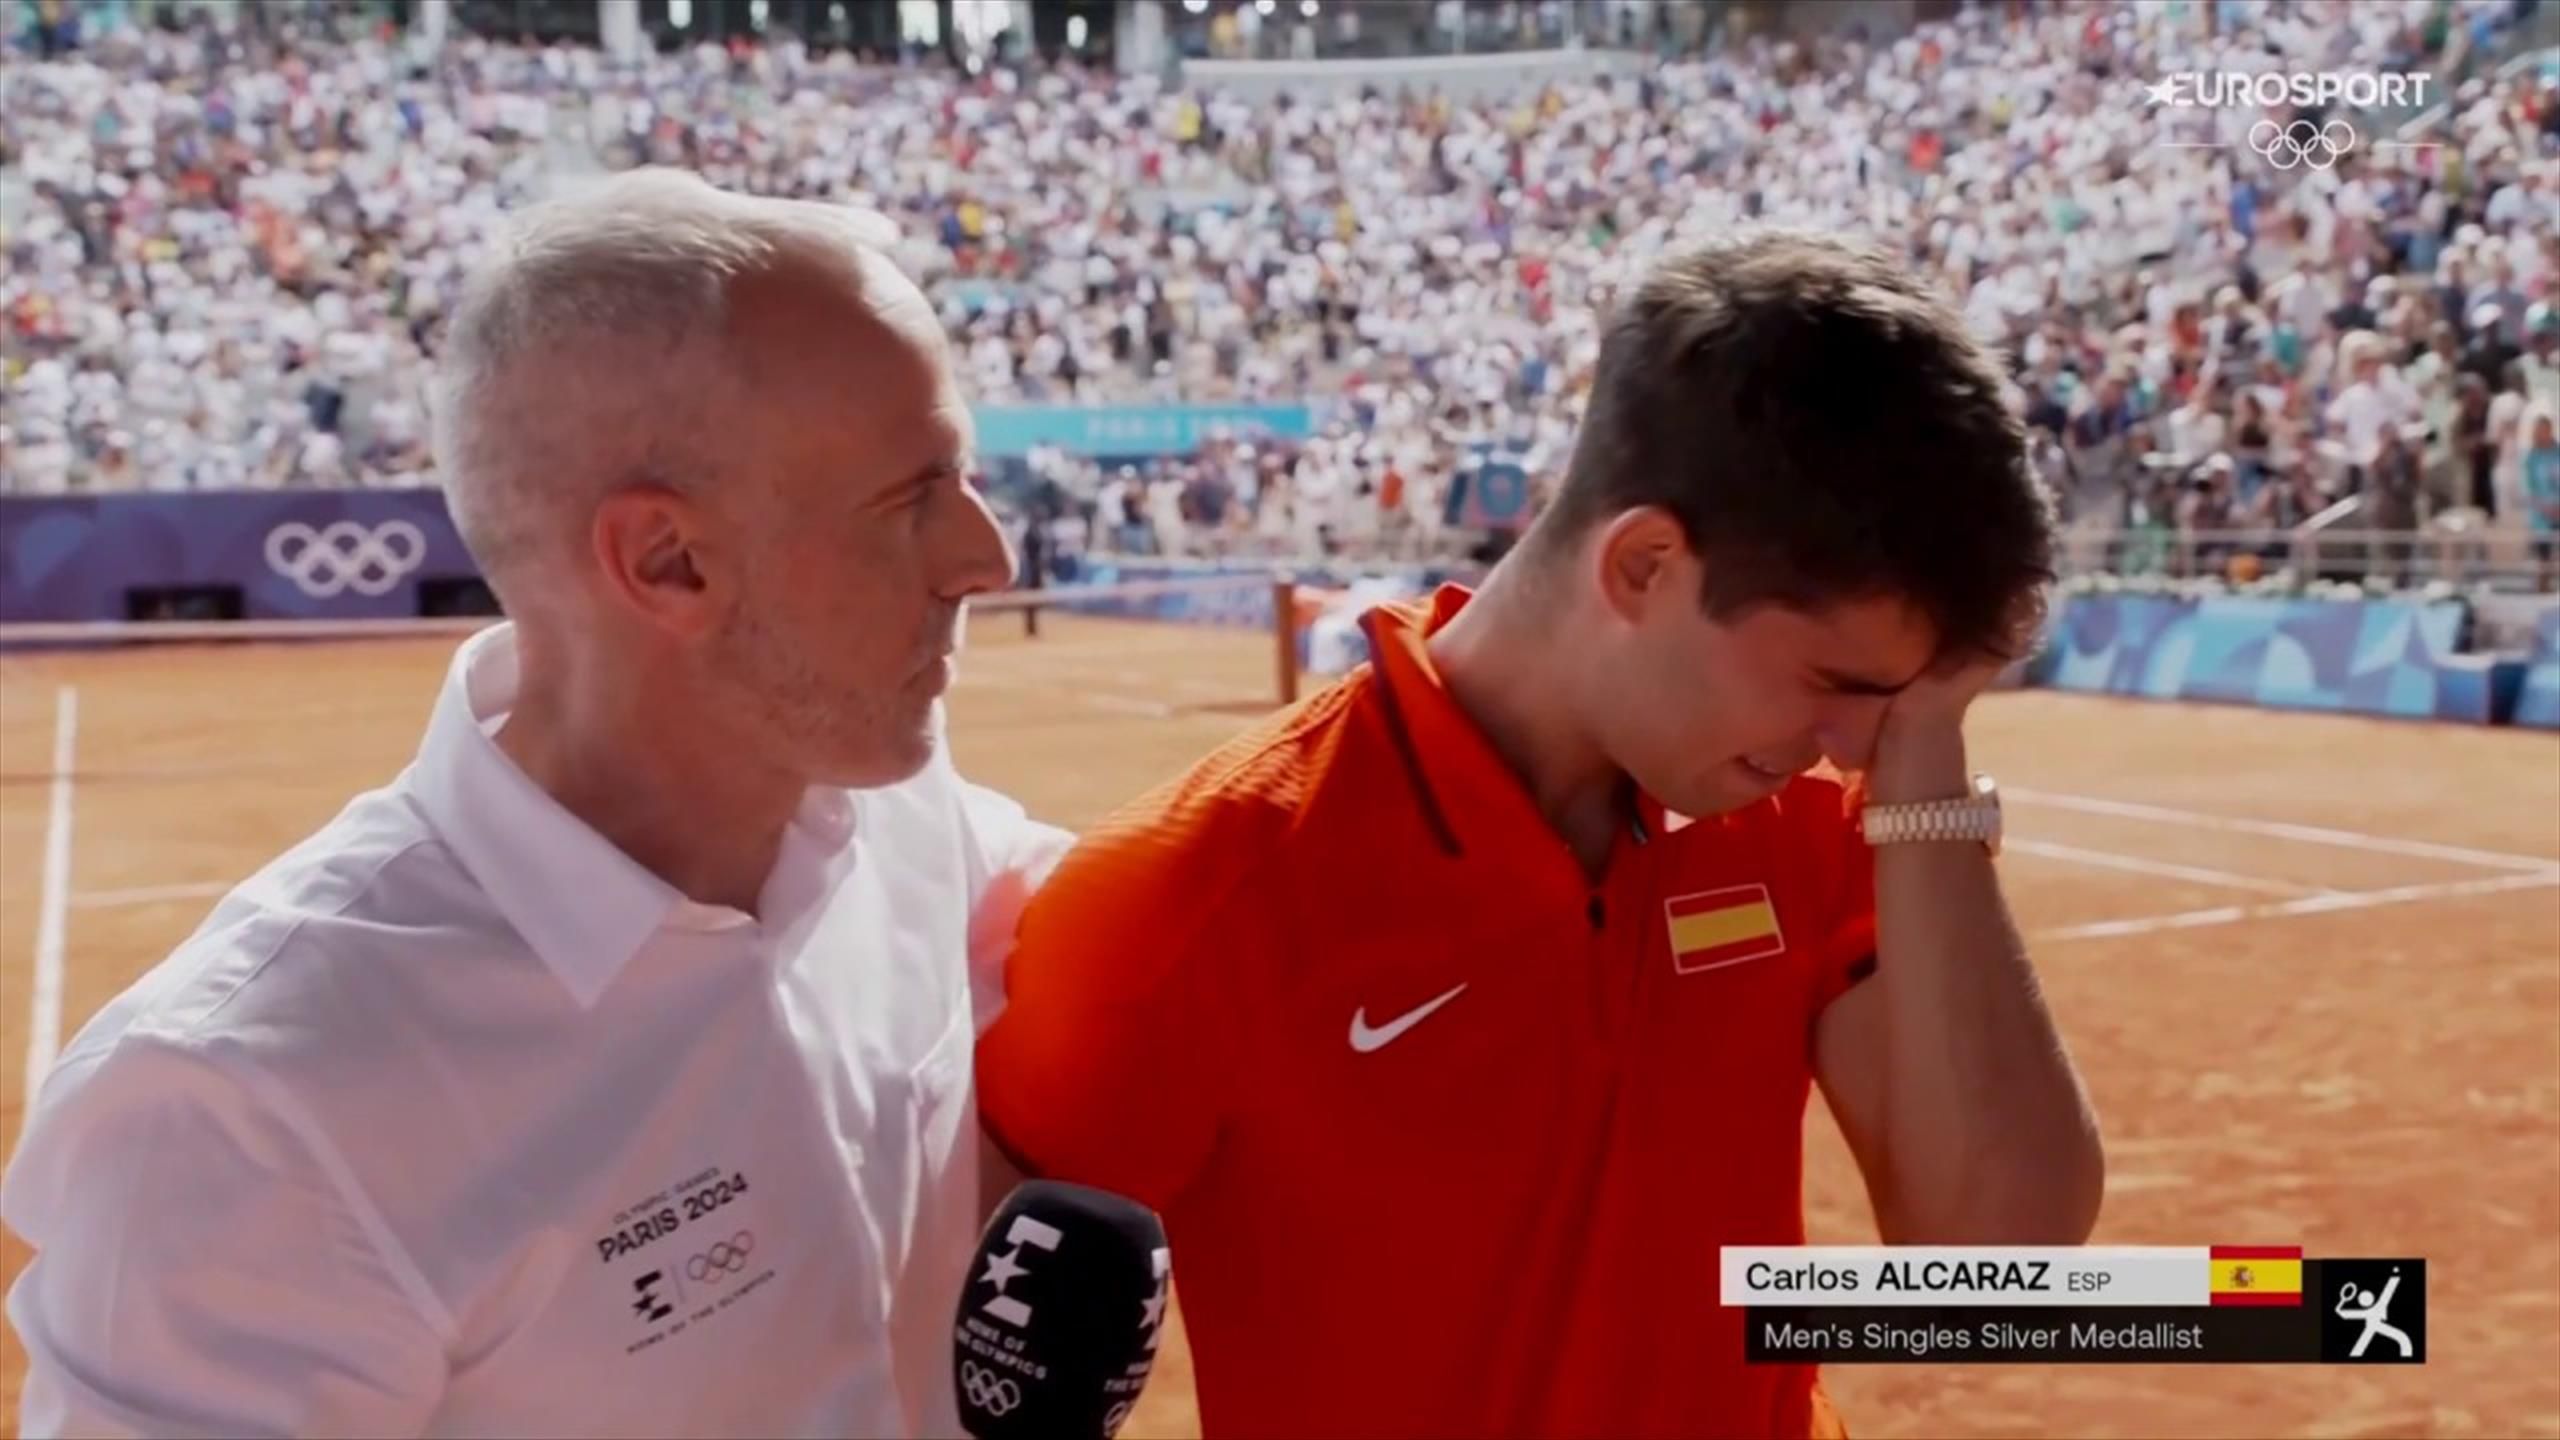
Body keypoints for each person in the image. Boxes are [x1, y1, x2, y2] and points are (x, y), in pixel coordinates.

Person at [976, 231, 2104, 1438]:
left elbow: (1995, 1263)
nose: (1847, 742)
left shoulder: (1816, 819)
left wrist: (1924, 735)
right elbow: (956, 1349)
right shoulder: (1200, 885)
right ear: (1644, 564)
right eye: (1834, 680)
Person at [2, 169, 1068, 1435]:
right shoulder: (242, 1113)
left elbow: (1156, 925)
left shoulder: (902, 819)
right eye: (910, 501)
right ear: (666, 562)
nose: (985, 558)